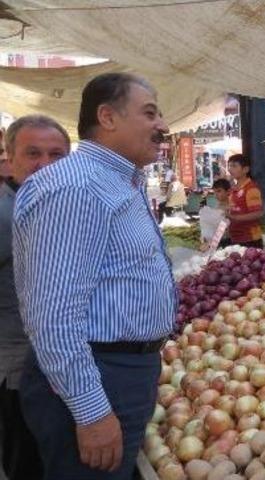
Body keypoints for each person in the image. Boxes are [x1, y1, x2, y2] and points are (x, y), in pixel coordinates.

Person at [13, 73, 176, 478]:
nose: (163, 126)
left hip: (124, 370)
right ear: (107, 117)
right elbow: (52, 317)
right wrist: (91, 412)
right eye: (150, 113)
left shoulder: (122, 181)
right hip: (100, 375)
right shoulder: (75, 188)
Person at [1, 115, 70, 480]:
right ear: (10, 158)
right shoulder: (5, 213)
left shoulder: (56, 209)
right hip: (18, 375)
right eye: (33, 153)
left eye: (56, 155)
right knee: (28, 465)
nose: (45, 164)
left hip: (60, 373)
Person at [226, 153, 265, 248]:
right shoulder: (233, 189)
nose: (230, 169)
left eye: (234, 166)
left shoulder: (251, 188)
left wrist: (234, 218)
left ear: (246, 169)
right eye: (229, 166)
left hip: (250, 239)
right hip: (235, 238)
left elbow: (258, 213)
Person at [198, 178, 232, 251]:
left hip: (227, 243)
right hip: (217, 242)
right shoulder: (218, 206)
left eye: (219, 191)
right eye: (214, 192)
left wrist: (210, 243)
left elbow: (224, 229)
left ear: (228, 191)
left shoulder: (230, 207)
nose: (216, 194)